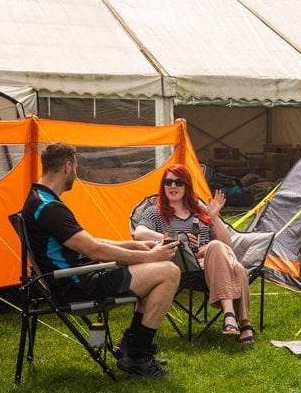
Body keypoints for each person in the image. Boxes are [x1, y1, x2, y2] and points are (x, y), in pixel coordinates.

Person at [21, 142, 181, 378]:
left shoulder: (39, 199)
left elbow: (88, 242)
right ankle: (137, 354)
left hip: (75, 279)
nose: (75, 173)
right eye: (75, 167)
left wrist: (136, 245)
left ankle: (131, 346)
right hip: (78, 286)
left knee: (155, 268)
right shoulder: (48, 208)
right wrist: (149, 255)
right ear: (67, 166)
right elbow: (94, 250)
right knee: (168, 272)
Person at [133, 164, 256, 345]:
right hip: (182, 263)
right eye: (168, 182)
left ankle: (233, 319)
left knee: (216, 248)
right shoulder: (155, 212)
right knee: (236, 267)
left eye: (178, 182)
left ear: (187, 186)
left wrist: (213, 217)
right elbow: (139, 233)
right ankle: (242, 321)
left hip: (211, 261)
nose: (172, 186)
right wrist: (178, 238)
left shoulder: (199, 212)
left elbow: (226, 243)